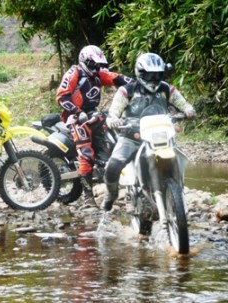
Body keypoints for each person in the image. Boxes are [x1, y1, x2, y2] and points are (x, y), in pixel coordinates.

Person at [101, 52, 196, 211]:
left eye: (157, 75)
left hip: (161, 136)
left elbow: (182, 102)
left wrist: (188, 110)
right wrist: (113, 120)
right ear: (140, 74)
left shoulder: (166, 88)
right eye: (149, 76)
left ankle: (176, 190)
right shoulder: (127, 91)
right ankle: (111, 194)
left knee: (178, 159)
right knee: (113, 165)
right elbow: (113, 112)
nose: (154, 80)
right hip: (132, 136)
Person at [56, 45, 132, 207]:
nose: (97, 68)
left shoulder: (98, 75)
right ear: (85, 61)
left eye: (99, 65)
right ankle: (88, 198)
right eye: (94, 64)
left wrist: (140, 85)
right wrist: (77, 111)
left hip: (93, 114)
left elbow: (118, 78)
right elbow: (62, 97)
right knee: (86, 153)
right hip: (75, 117)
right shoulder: (74, 73)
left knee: (118, 136)